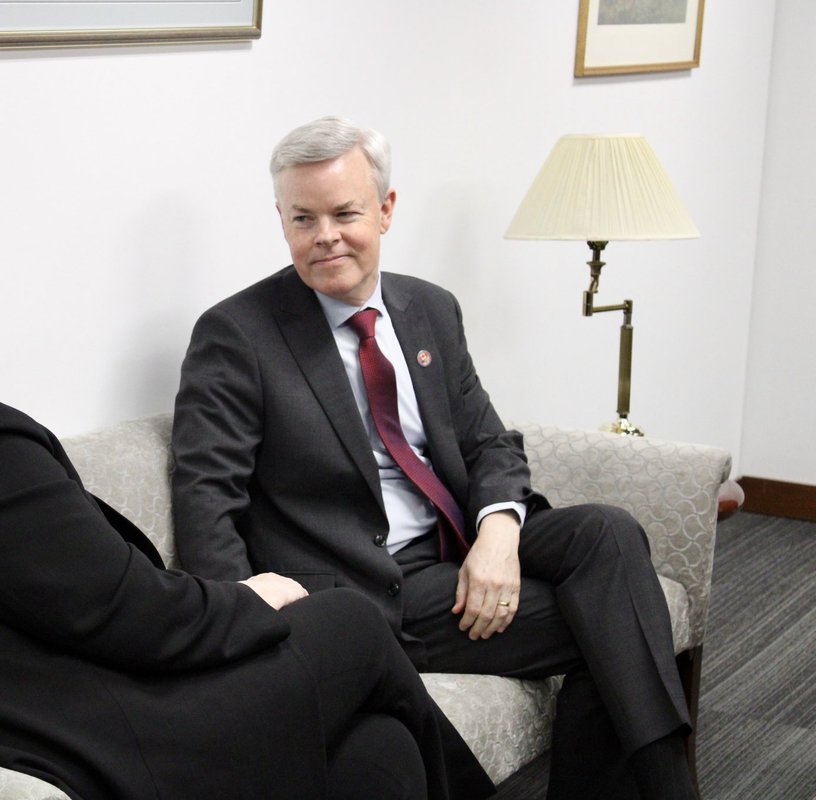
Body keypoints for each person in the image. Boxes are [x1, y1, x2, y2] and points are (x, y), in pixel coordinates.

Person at [0, 184, 496, 800]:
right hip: (96, 749)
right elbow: (132, 614)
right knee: (350, 623)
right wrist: (249, 598)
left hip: (10, 726)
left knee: (379, 754)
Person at [171, 117, 699, 800]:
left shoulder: (428, 309)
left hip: (457, 541)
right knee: (616, 626)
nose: (323, 234)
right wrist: (246, 622)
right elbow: (205, 494)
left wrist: (499, 534)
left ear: (386, 210)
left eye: (344, 213)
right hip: (373, 586)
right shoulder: (238, 334)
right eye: (303, 218)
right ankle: (672, 788)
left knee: (609, 532)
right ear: (281, 220)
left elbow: (489, 443)